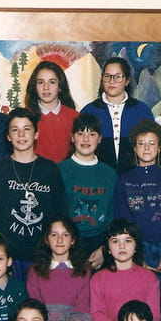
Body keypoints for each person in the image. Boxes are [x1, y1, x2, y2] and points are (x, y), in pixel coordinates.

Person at [0, 107, 68, 281]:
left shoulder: (50, 170)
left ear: (36, 134)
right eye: (15, 130)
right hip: (8, 257)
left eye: (27, 129)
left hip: (43, 255)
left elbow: (61, 213)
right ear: (8, 136)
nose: (21, 135)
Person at [114, 119, 161, 277]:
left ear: (160, 148)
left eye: (152, 143)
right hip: (136, 248)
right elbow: (122, 219)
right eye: (141, 143)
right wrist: (134, 254)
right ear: (134, 148)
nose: (146, 148)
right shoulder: (125, 180)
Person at [26, 216, 92, 321]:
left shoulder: (84, 271)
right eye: (54, 235)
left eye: (65, 235)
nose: (60, 240)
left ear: (73, 240)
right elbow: (35, 309)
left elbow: (83, 308)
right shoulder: (35, 271)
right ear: (46, 240)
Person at [90, 219, 161, 321]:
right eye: (115, 241)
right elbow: (96, 317)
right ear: (108, 249)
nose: (122, 246)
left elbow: (154, 316)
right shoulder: (98, 279)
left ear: (136, 247)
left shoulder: (149, 278)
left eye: (128, 241)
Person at [57, 113, 117, 267]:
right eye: (80, 133)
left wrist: (104, 249)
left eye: (92, 134)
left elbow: (113, 215)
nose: (85, 139)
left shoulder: (109, 173)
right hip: (66, 243)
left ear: (100, 139)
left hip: (99, 243)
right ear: (72, 137)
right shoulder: (60, 170)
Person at [80, 57, 154, 173]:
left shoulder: (141, 110)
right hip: (98, 175)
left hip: (134, 176)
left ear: (127, 81)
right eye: (107, 76)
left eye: (118, 76)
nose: (112, 81)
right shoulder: (89, 111)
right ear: (102, 79)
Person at [24, 60, 78, 163]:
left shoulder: (74, 117)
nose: (46, 87)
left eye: (52, 82)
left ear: (60, 87)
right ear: (34, 87)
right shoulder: (25, 118)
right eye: (41, 82)